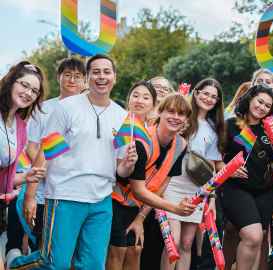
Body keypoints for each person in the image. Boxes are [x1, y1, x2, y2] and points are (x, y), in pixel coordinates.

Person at [11, 54, 138, 270]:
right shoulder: (67, 108)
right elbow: (47, 153)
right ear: (87, 78)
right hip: (65, 196)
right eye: (95, 72)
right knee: (54, 263)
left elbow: (121, 170)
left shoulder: (123, 116)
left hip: (101, 202)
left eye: (106, 72)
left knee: (92, 265)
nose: (101, 76)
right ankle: (15, 265)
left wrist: (129, 163)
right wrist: (31, 196)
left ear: (115, 77)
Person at [7, 57, 87, 267]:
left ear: (85, 82)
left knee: (72, 251)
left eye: (77, 76)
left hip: (78, 194)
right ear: (58, 77)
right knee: (42, 248)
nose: (72, 80)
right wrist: (49, 170)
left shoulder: (91, 111)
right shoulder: (42, 108)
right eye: (67, 74)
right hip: (44, 192)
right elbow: (33, 146)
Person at [107, 80, 178, 270]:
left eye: (146, 97)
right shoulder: (118, 123)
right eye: (136, 95)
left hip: (134, 204)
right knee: (117, 252)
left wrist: (140, 217)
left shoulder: (148, 133)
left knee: (135, 250)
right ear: (128, 98)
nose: (140, 100)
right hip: (112, 199)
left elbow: (153, 180)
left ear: (153, 104)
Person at [160, 78, 225, 270]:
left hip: (197, 188)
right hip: (172, 182)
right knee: (173, 241)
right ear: (196, 93)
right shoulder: (182, 117)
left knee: (187, 243)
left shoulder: (214, 128)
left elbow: (212, 166)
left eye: (214, 96)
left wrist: (211, 197)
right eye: (205, 93)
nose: (208, 98)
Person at [220, 84, 273, 270]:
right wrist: (228, 169)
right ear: (250, 98)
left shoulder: (270, 130)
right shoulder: (230, 124)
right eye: (259, 101)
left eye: (267, 106)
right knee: (252, 236)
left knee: (257, 239)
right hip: (236, 188)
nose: (262, 107)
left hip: (264, 191)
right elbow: (215, 160)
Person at [0, 61, 47, 270]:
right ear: (11, 82)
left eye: (34, 91)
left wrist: (26, 176)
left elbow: (6, 178)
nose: (28, 93)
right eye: (24, 85)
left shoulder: (20, 126)